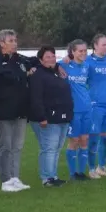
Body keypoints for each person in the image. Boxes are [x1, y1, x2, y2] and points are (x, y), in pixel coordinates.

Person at [0, 29, 33, 192]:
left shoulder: (18, 61)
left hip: (21, 112)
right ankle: (6, 180)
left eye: (15, 40)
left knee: (17, 147)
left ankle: (15, 177)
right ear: (1, 43)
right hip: (4, 113)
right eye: (11, 40)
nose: (15, 43)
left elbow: (35, 62)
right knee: (5, 147)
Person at [29, 46, 74, 187]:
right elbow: (36, 98)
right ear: (41, 60)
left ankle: (52, 175)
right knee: (49, 148)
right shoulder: (38, 75)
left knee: (56, 147)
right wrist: (41, 117)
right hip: (48, 118)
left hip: (62, 117)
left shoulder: (56, 72)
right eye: (47, 57)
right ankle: (47, 178)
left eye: (53, 56)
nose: (51, 59)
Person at [62, 40, 94, 180]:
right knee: (74, 140)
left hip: (87, 107)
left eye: (85, 50)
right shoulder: (64, 65)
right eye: (80, 51)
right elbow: (48, 65)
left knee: (85, 139)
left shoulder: (87, 66)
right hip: (73, 109)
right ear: (73, 52)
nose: (83, 53)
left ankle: (81, 172)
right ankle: (72, 173)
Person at [86, 34, 106, 176]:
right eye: (103, 45)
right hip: (95, 105)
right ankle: (91, 168)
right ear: (95, 46)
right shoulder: (87, 61)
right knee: (93, 137)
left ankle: (101, 166)